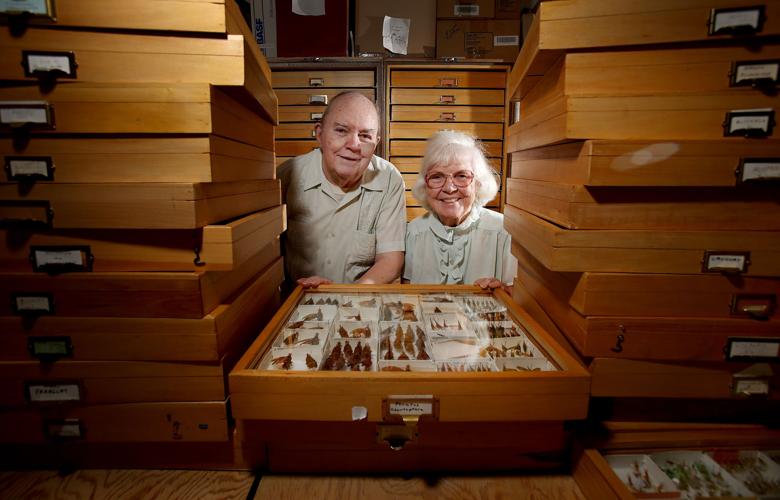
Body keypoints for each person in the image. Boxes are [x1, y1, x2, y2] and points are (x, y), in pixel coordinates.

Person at [278, 91, 406, 288]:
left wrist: (346, 297)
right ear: (319, 134)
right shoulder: (287, 176)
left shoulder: (389, 179)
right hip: (298, 298)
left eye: (365, 136)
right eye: (341, 131)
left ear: (376, 144)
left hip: (360, 301)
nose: (354, 145)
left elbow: (390, 260)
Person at [403, 130, 517, 292]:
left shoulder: (504, 231)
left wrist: (503, 292)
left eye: (461, 176)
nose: (449, 188)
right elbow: (408, 298)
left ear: (478, 183)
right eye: (437, 177)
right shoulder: (412, 233)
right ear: (425, 185)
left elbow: (520, 301)